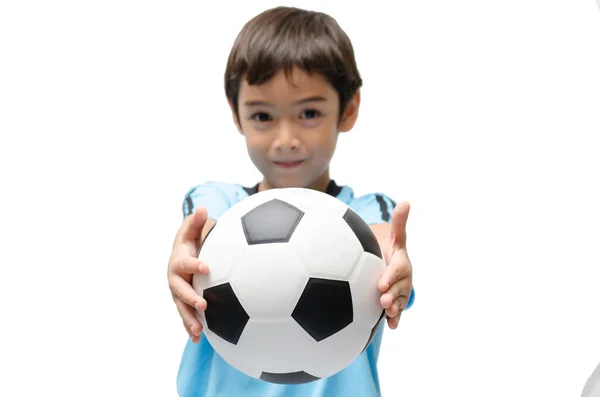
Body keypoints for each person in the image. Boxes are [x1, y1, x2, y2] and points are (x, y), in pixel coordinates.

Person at [167, 6, 415, 396]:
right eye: (263, 116)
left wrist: (395, 268)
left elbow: (384, 244)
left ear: (347, 110)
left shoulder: (365, 211)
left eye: (309, 113)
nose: (285, 138)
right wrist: (184, 255)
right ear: (236, 115)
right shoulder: (218, 201)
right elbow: (200, 234)